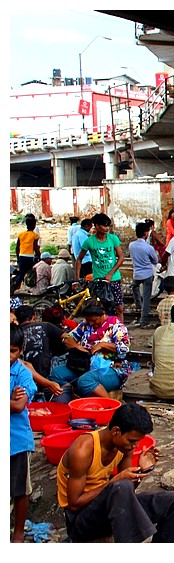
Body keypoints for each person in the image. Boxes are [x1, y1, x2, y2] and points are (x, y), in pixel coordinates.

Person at [56, 403, 174, 543]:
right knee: (120, 486)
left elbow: (127, 492)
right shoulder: (83, 449)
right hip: (80, 520)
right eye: (132, 441)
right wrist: (113, 482)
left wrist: (142, 470)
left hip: (110, 511)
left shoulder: (124, 447)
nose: (135, 446)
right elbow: (74, 503)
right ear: (116, 431)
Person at [49, 305, 131, 398]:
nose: (91, 323)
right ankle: (71, 400)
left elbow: (125, 348)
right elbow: (67, 338)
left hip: (111, 368)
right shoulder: (85, 325)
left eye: (94, 321)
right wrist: (78, 347)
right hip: (85, 365)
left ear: (103, 314)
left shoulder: (116, 325)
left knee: (86, 381)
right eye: (89, 320)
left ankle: (110, 406)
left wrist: (102, 345)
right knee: (56, 373)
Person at [10, 324, 37, 543]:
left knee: (20, 489)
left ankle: (17, 533)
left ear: (20, 351)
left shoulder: (22, 375)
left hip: (16, 440)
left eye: (12, 351)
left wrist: (12, 401)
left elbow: (19, 407)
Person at [76, 213, 125, 322]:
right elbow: (79, 259)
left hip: (114, 278)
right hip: (98, 280)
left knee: (119, 308)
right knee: (101, 308)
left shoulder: (113, 239)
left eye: (108, 226)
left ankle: (121, 333)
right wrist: (77, 278)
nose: (107, 228)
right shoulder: (89, 241)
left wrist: (110, 274)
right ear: (97, 226)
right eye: (104, 226)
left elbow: (121, 257)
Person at [129, 222, 159, 329]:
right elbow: (155, 260)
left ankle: (138, 305)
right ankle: (144, 320)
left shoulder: (131, 245)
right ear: (146, 233)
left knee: (134, 287)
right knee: (146, 298)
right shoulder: (148, 247)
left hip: (136, 273)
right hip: (147, 274)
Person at [13, 215, 40, 292]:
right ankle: (30, 287)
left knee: (21, 273)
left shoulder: (21, 234)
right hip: (30, 257)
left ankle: (15, 284)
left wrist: (18, 258)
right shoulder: (35, 235)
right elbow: (35, 248)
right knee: (33, 272)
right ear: (34, 225)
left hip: (22, 256)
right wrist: (39, 256)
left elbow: (17, 247)